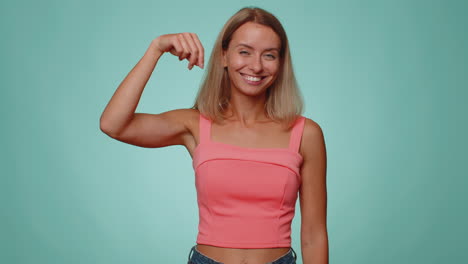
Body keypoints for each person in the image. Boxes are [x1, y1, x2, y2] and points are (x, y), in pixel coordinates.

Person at [100, 6, 328, 264]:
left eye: (269, 55)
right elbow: (113, 124)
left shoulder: (305, 134)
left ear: (281, 63)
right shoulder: (194, 124)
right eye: (244, 52)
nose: (256, 65)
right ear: (224, 56)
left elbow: (313, 235)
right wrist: (156, 49)